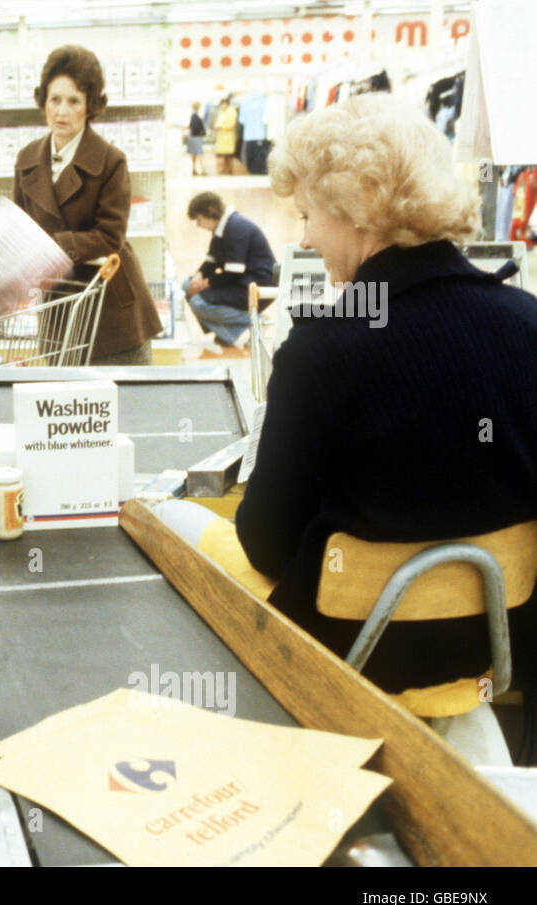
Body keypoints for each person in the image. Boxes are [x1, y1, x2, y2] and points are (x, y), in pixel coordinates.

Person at [227, 94, 537, 697]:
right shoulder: (529, 324)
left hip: (348, 661)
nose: (308, 237)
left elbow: (263, 544)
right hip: (504, 650)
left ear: (360, 205)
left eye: (308, 213)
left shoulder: (320, 353)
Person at [13, 45, 162, 365]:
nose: (61, 111)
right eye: (54, 99)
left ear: (90, 106)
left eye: (73, 101)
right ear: (43, 101)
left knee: (124, 406)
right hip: (58, 309)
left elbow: (110, 237)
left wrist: (52, 247)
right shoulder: (26, 160)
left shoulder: (110, 161)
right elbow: (20, 230)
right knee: (66, 408)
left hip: (109, 310)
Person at [182, 191, 276, 354]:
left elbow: (233, 272)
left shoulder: (236, 228)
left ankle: (255, 321)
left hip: (255, 286)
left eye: (199, 219)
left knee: (198, 302)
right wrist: (199, 275)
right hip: (240, 282)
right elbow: (212, 260)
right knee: (186, 285)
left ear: (210, 211)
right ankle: (226, 333)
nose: (198, 224)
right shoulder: (223, 226)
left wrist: (205, 284)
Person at [213, 96, 237, 175]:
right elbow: (218, 121)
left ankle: (229, 169)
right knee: (223, 154)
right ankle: (224, 168)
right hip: (221, 136)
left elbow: (232, 124)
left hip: (228, 136)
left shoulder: (232, 112)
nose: (222, 106)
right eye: (221, 105)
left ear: (226, 104)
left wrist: (221, 126)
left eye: (223, 104)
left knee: (229, 155)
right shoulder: (221, 112)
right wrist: (216, 126)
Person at [185, 101, 206, 176]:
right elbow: (196, 127)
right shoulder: (196, 116)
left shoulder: (193, 115)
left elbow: (191, 126)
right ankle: (203, 169)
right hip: (196, 137)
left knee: (193, 155)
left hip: (192, 137)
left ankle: (194, 169)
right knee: (199, 154)